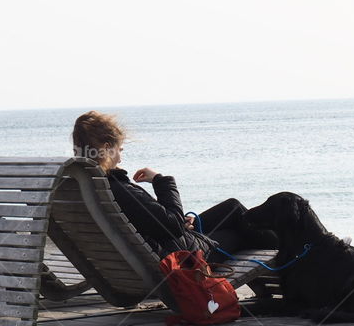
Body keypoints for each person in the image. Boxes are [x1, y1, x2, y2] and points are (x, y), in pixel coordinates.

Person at [71, 110, 276, 261]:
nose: (121, 158)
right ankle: (288, 256)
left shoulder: (87, 187)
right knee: (241, 227)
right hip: (181, 258)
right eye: (120, 150)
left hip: (157, 248)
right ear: (107, 148)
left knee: (232, 207)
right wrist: (161, 181)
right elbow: (172, 228)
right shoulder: (118, 189)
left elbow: (163, 224)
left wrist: (177, 222)